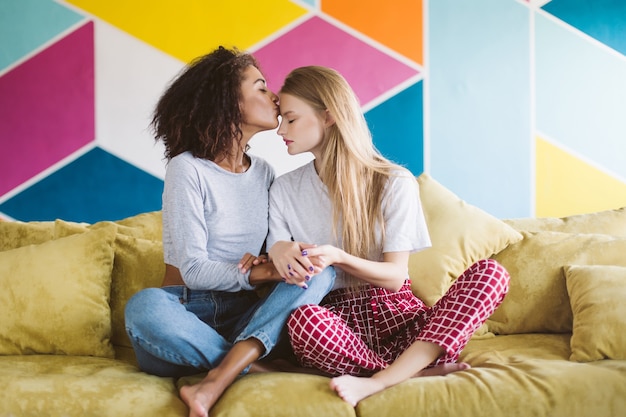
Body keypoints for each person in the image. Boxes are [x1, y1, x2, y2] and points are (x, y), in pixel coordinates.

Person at [266, 66, 510, 406]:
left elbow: (395, 278)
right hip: (336, 323)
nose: (280, 130)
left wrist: (338, 257)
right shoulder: (283, 189)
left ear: (329, 116)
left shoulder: (394, 182)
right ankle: (412, 371)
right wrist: (277, 250)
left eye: (290, 119)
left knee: (491, 275)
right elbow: (280, 256)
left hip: (401, 320)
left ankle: (377, 379)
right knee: (304, 321)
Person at [124, 48, 335, 417]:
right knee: (144, 307)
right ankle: (250, 364)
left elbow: (274, 250)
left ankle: (221, 373)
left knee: (322, 270)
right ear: (227, 101)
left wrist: (283, 257)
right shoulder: (188, 169)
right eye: (260, 86)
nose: (274, 96)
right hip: (185, 312)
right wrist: (263, 270)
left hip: (247, 316)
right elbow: (194, 269)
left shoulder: (266, 172)